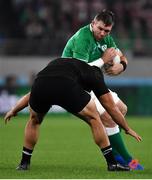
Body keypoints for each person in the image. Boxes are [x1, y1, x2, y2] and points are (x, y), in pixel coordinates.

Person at [4, 57, 141, 171]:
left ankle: (24, 163)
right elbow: (110, 107)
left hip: (41, 83)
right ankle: (112, 164)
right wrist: (127, 129)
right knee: (94, 118)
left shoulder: (61, 63)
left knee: (34, 120)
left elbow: (32, 93)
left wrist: (14, 110)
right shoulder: (95, 74)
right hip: (66, 86)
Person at [61, 9, 143, 170]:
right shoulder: (83, 37)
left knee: (121, 109)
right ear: (93, 23)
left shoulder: (107, 38)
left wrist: (121, 65)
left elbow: (118, 54)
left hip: (91, 83)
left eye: (107, 30)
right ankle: (127, 160)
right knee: (109, 117)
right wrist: (103, 60)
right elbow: (79, 69)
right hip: (74, 84)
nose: (103, 33)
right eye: (100, 29)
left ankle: (116, 154)